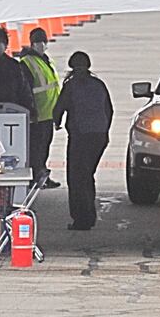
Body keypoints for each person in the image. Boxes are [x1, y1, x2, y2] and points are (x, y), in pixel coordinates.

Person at [53, 51, 113, 231]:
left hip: (80, 136)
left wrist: (57, 123)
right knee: (87, 175)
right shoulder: (99, 84)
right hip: (99, 136)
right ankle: (89, 216)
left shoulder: (71, 85)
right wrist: (103, 129)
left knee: (77, 178)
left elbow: (58, 109)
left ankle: (82, 219)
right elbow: (109, 110)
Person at [19, 28, 62, 189]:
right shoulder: (27, 63)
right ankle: (35, 177)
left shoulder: (45, 60)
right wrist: (31, 110)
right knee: (36, 149)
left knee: (44, 148)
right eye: (38, 42)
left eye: (43, 42)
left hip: (48, 113)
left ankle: (42, 176)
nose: (41, 45)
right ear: (32, 44)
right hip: (37, 115)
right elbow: (26, 89)